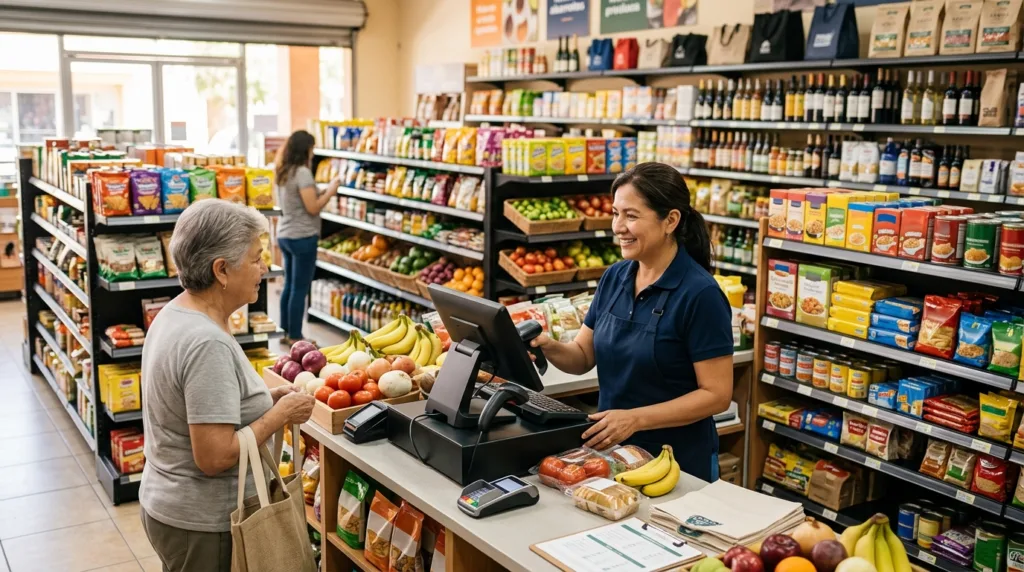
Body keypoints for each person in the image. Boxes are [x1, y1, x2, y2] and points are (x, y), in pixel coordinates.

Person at [139, 199, 316, 572]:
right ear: (221, 270)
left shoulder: (177, 313)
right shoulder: (207, 342)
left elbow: (201, 406)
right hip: (204, 523)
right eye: (255, 258)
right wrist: (279, 415)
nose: (264, 268)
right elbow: (214, 456)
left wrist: (267, 399)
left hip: (171, 504)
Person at [531, 162, 734, 482]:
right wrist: (547, 345)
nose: (618, 226)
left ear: (670, 221)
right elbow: (583, 357)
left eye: (631, 215)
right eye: (615, 213)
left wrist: (635, 420)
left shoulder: (700, 295)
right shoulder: (615, 277)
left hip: (676, 463)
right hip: (610, 456)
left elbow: (717, 395)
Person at [276, 129, 340, 344]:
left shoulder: (284, 171)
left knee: (289, 286)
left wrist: (317, 190)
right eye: (312, 148)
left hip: (285, 234)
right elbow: (312, 208)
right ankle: (295, 336)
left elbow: (298, 201)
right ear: (306, 149)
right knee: (299, 288)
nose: (313, 153)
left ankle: (285, 331)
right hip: (302, 236)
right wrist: (331, 190)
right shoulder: (302, 172)